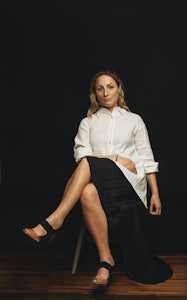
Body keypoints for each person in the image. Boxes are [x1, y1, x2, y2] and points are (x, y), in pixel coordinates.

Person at [23, 70, 173, 287]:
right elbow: (80, 156)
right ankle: (106, 261)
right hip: (101, 188)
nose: (105, 92)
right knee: (87, 190)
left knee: (88, 162)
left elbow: (147, 158)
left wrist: (155, 194)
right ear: (94, 93)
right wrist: (114, 158)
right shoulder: (88, 122)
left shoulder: (134, 120)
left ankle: (55, 220)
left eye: (110, 86)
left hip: (128, 186)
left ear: (119, 89)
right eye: (100, 88)